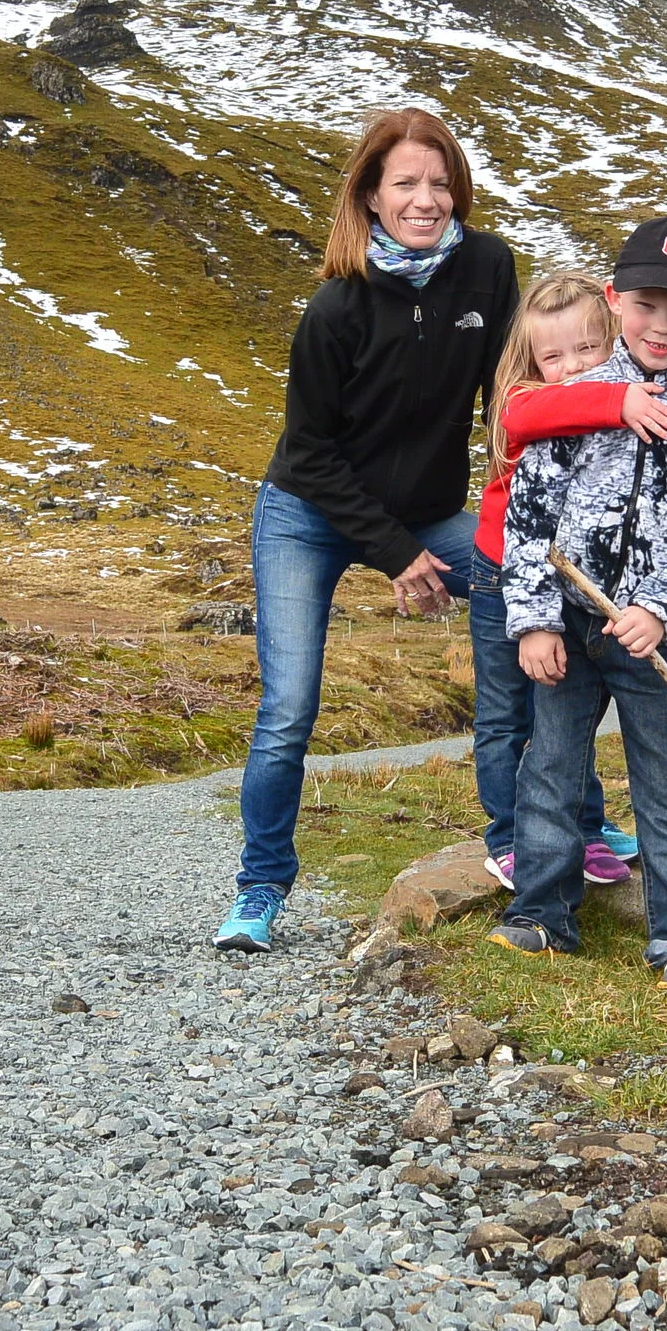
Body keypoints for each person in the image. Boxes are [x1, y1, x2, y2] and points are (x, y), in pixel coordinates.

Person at [214, 107, 519, 953]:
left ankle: (541, 835)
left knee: (527, 605)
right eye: (406, 184)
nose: (426, 200)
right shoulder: (336, 308)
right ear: (371, 197)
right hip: (306, 518)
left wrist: (522, 494)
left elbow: (509, 398)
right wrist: (397, 556)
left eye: (439, 181)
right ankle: (260, 887)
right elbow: (307, 456)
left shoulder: (488, 268)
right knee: (288, 712)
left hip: (428, 514)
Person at [488, 216, 667, 1000]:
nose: (661, 326)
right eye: (646, 306)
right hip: (567, 622)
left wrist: (663, 609)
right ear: (615, 301)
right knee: (550, 768)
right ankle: (541, 913)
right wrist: (533, 618)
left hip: (654, 639)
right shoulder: (577, 401)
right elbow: (530, 514)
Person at [467, 271, 667, 891]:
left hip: (589, 589)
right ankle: (510, 838)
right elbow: (536, 410)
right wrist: (614, 400)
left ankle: (585, 830)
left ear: (611, 334)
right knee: (510, 716)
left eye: (587, 349)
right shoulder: (532, 399)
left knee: (563, 721)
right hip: (504, 568)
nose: (571, 367)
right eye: (552, 356)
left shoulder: (642, 387)